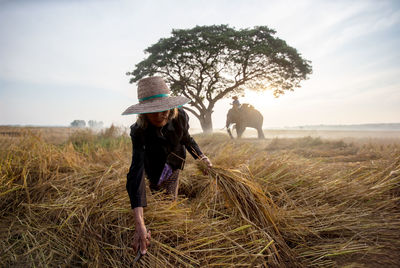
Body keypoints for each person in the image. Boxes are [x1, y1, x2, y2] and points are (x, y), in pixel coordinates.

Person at [121, 76, 212, 256]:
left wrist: (201, 156)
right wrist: (139, 224)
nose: (159, 115)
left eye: (163, 109)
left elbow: (186, 139)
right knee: (154, 193)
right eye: (152, 111)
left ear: (170, 107)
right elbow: (136, 172)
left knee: (169, 202)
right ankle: (147, 228)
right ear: (143, 112)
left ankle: (169, 238)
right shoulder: (138, 130)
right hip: (153, 164)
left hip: (174, 161)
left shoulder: (180, 117)